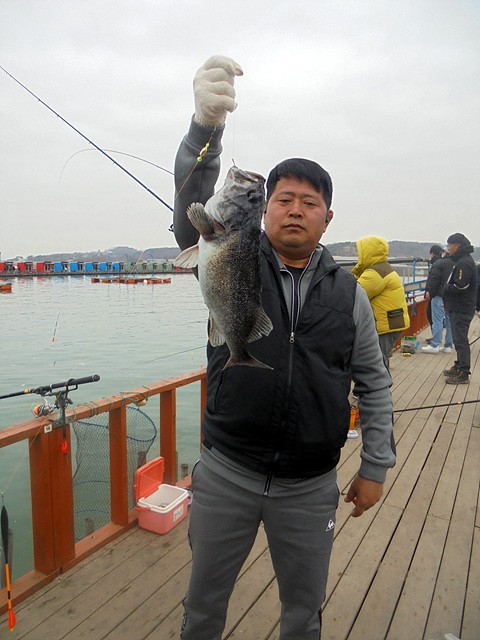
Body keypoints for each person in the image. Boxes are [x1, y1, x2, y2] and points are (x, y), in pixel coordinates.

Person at [173, 55, 396, 640]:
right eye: (284, 198)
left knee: (304, 611)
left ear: (327, 218)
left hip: (311, 484)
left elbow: (374, 382)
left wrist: (374, 465)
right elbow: (191, 210)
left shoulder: (350, 294)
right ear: (266, 208)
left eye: (310, 202)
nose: (296, 209)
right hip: (226, 471)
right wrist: (204, 131)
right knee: (202, 608)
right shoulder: (232, 252)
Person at [351, 237, 410, 371]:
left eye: (360, 252)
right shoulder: (383, 268)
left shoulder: (375, 273)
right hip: (393, 321)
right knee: (381, 360)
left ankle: (381, 384)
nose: (358, 255)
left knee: (377, 363)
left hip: (386, 324)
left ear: (368, 252)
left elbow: (354, 294)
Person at [442, 233, 478, 384]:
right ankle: (459, 366)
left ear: (457, 245)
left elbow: (461, 285)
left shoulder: (464, 263)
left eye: (450, 245)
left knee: (461, 340)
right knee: (458, 339)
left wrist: (447, 288)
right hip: (459, 307)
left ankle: (464, 372)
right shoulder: (463, 260)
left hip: (461, 308)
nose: (448, 248)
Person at [421, 247, 454, 354]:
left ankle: (435, 344)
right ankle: (448, 345)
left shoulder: (439, 263)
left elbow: (433, 279)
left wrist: (429, 291)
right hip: (451, 296)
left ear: (444, 252)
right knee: (449, 321)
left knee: (437, 320)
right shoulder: (457, 263)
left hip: (439, 295)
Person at [424, 244, 443, 341]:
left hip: (435, 294)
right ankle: (438, 338)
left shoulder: (436, 264)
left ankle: (435, 339)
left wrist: (428, 291)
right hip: (441, 293)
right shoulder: (443, 262)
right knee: (439, 318)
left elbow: (433, 279)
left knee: (433, 316)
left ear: (433, 253)